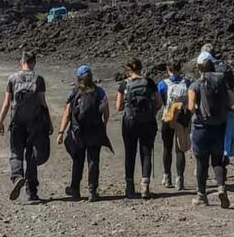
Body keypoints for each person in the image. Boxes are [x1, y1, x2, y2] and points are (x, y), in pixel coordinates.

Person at [0, 50, 51, 202]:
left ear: (21, 62)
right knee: (31, 156)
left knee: (15, 152)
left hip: (17, 122)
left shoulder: (12, 79)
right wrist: (49, 122)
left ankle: (17, 176)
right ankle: (31, 192)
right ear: (34, 63)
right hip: (35, 122)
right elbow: (42, 103)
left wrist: (0, 122)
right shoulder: (39, 79)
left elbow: (7, 103)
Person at [187, 50, 234, 208]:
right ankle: (221, 187)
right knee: (218, 161)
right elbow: (233, 101)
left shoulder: (195, 85)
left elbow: (190, 108)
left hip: (201, 129)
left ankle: (201, 195)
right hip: (219, 127)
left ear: (199, 67)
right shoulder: (222, 83)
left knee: (202, 162)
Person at [56, 65, 112, 202]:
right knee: (93, 160)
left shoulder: (74, 92)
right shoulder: (99, 92)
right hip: (95, 131)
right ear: (91, 76)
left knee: (78, 160)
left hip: (78, 132)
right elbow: (106, 112)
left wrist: (61, 132)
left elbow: (67, 114)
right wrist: (103, 125)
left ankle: (75, 190)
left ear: (78, 78)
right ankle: (92, 191)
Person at [115, 57, 162, 199]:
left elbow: (118, 107)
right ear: (141, 68)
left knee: (130, 152)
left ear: (128, 70)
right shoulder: (149, 82)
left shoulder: (124, 84)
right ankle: (145, 186)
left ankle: (130, 187)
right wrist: (151, 112)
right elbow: (159, 102)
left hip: (130, 122)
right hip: (147, 121)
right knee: (146, 152)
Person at [157, 62, 191, 191]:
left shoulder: (162, 84)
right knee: (180, 149)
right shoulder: (187, 83)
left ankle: (167, 177)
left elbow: (160, 102)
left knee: (167, 147)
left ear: (168, 69)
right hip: (182, 119)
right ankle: (180, 179)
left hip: (168, 117)